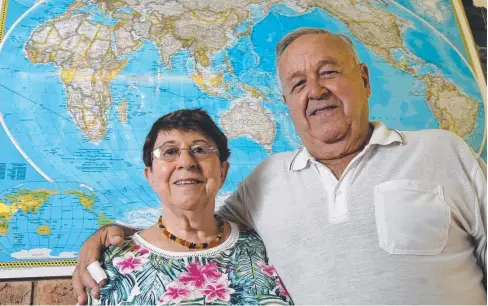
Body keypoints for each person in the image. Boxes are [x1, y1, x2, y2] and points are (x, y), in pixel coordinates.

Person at [74, 28, 487, 304]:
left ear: (363, 78)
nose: (316, 91)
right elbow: (193, 223)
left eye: (329, 72)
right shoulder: (267, 180)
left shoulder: (443, 152)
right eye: (298, 83)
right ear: (287, 102)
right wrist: (114, 235)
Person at [83, 109, 293, 305]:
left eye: (200, 149)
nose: (186, 162)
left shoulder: (265, 246)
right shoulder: (111, 266)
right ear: (151, 176)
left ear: (222, 171)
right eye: (170, 151)